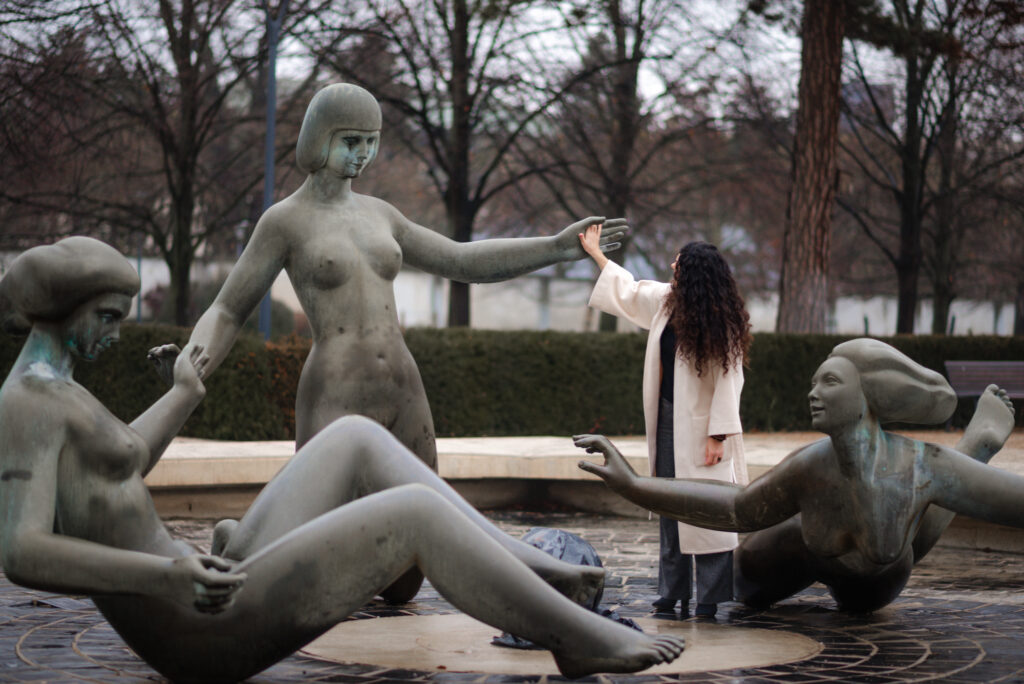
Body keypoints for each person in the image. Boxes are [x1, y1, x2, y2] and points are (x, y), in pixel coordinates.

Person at [0, 237, 683, 682]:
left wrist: (183, 393)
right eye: (108, 318)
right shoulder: (27, 403)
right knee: (411, 513)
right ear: (64, 310)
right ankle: (573, 637)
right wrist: (165, 577)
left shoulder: (58, 388)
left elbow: (123, 464)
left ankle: (537, 570)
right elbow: (22, 552)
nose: (116, 334)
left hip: (207, 580)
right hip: (193, 627)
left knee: (354, 437)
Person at [186, 83, 627, 602]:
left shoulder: (382, 215)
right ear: (318, 139)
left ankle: (260, 546)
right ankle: (238, 542)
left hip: (402, 389)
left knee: (403, 584)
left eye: (371, 142)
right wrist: (193, 363)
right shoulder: (284, 221)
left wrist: (553, 247)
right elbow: (227, 309)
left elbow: (461, 259)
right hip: (335, 395)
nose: (362, 154)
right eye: (351, 141)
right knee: (317, 569)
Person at [575, 338, 1021, 613]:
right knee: (747, 576)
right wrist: (634, 484)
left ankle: (975, 448)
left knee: (909, 514)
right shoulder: (809, 466)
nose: (813, 393)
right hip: (790, 558)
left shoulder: (922, 462)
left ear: (868, 396)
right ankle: (971, 455)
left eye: (829, 382)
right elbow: (738, 507)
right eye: (813, 383)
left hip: (873, 588)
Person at [578, 227, 751, 619]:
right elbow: (629, 290)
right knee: (669, 505)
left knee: (708, 512)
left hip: (706, 430)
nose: (673, 265)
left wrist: (718, 435)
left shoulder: (721, 323)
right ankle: (672, 592)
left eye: (679, 262)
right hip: (668, 420)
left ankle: (709, 598)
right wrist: (597, 254)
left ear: (695, 274)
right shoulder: (666, 302)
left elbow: (730, 381)